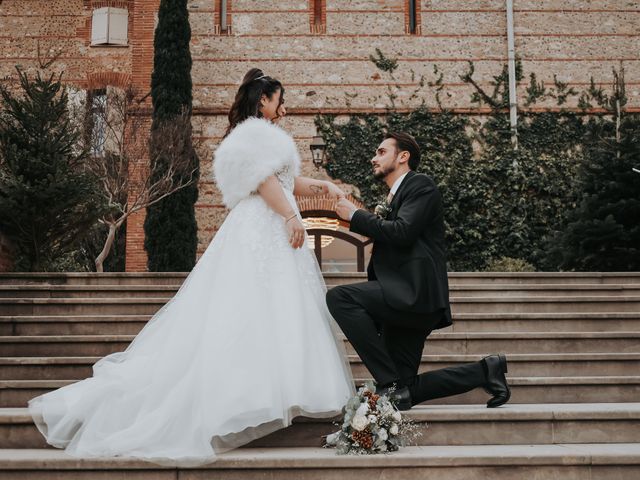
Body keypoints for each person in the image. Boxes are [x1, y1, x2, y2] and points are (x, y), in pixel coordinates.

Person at [27, 68, 354, 467]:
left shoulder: (254, 136)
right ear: (263, 100)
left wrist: (322, 187)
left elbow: (286, 180)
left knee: (272, 305)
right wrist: (289, 216)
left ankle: (272, 391)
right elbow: (267, 181)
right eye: (278, 98)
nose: (283, 105)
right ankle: (254, 394)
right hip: (265, 225)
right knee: (260, 304)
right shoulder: (256, 133)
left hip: (267, 222)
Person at [327, 132, 510, 410]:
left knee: (340, 298)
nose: (373, 158)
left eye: (381, 152)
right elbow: (396, 236)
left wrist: (355, 215)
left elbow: (402, 232)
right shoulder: (396, 194)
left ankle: (387, 382)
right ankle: (486, 371)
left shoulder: (420, 185)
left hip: (413, 293)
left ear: (403, 157)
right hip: (403, 300)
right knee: (405, 392)